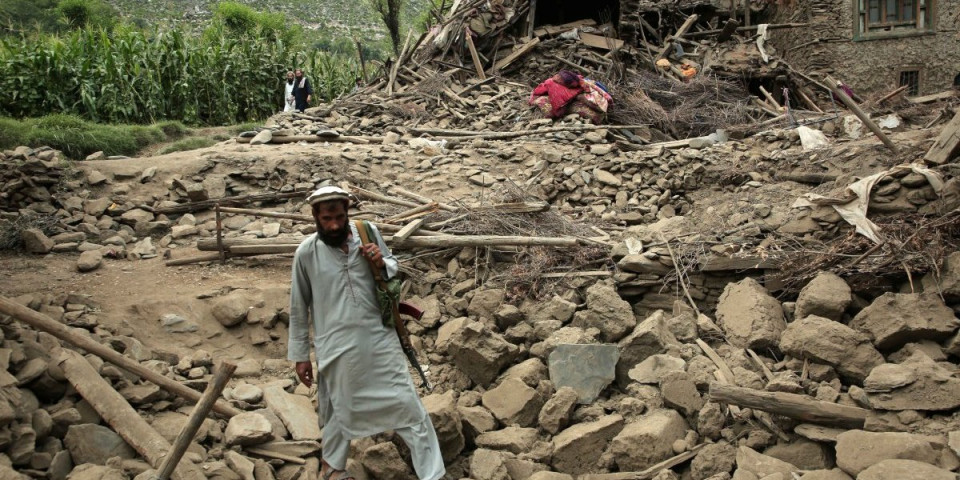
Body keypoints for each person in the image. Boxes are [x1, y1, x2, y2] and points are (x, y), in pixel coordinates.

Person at [288, 186, 445, 480]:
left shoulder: (368, 231)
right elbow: (298, 308)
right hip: (336, 346)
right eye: (326, 219)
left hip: (379, 340)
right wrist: (300, 356)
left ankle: (432, 474)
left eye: (338, 217)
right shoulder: (306, 253)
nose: (333, 225)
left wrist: (379, 261)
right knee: (338, 406)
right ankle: (333, 469)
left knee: (407, 405)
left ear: (347, 213)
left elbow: (393, 271)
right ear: (315, 218)